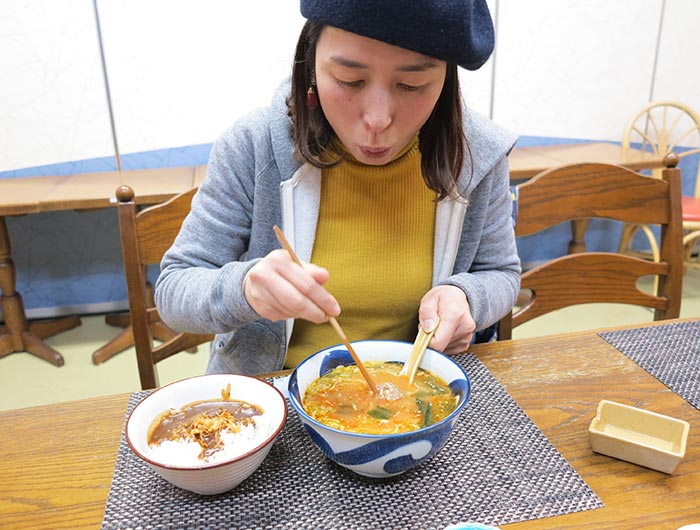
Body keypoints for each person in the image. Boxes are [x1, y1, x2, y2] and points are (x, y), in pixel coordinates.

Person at [154, 0, 521, 375]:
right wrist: (244, 289)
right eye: (350, 80)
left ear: (445, 80)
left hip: (414, 393)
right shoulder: (254, 144)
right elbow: (174, 289)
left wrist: (465, 296)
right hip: (269, 396)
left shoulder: (477, 154)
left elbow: (500, 273)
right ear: (311, 64)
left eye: (412, 85)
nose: (377, 120)